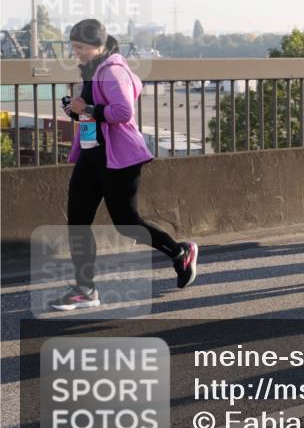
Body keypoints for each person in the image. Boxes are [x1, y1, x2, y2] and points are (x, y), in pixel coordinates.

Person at [49, 19, 198, 311]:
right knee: (78, 222)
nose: (75, 52)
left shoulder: (113, 70)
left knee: (127, 223)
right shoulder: (93, 70)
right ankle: (85, 290)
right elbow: (93, 115)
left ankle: (180, 252)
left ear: (99, 46)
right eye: (73, 47)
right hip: (92, 157)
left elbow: (122, 112)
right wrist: (75, 111)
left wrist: (86, 108)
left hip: (120, 159)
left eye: (80, 47)